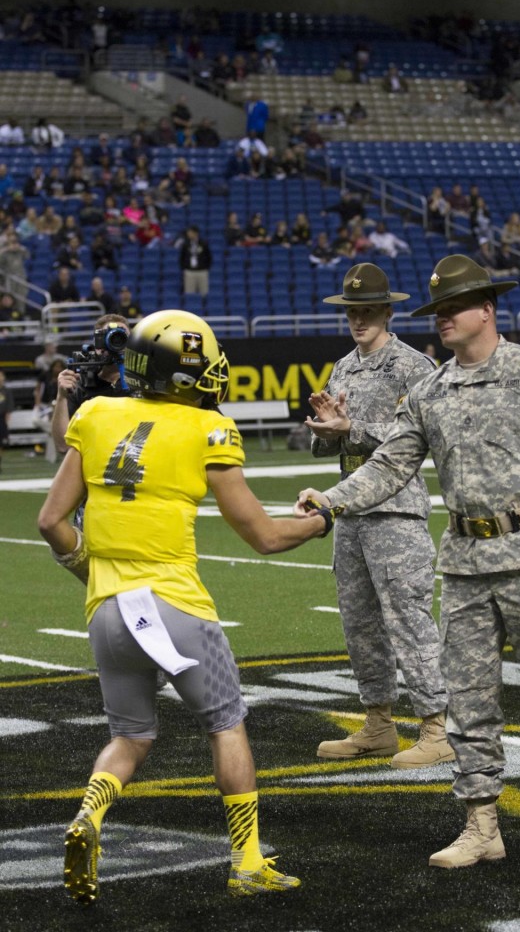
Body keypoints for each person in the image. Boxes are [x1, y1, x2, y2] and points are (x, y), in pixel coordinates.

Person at [296, 254, 520, 869]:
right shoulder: (431, 390)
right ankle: (481, 824)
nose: (444, 320)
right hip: (463, 563)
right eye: (438, 311)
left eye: (453, 308)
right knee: (470, 701)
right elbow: (391, 464)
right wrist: (330, 503)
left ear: (487, 309)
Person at [37, 309, 330, 904]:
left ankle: (89, 816)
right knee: (226, 725)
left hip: (108, 611)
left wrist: (90, 570)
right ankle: (247, 861)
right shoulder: (209, 429)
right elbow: (265, 537)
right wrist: (326, 519)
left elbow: (51, 521)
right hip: (175, 606)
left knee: (131, 736)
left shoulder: (93, 414)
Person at [306, 263, 453, 767]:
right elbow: (330, 442)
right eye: (351, 311)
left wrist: (353, 427)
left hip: (395, 510)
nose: (358, 319)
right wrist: (327, 430)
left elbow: (425, 437)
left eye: (367, 310)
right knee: (360, 621)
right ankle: (378, 724)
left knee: (409, 619)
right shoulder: (343, 367)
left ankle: (436, 728)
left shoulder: (414, 367)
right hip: (351, 512)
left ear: (388, 311)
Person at [51, 313, 131, 455]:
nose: (116, 342)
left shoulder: (143, 384)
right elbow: (63, 445)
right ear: (97, 344)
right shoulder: (81, 385)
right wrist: (61, 397)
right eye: (108, 336)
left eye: (121, 336)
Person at [179, 225, 212, 299]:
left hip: (202, 272)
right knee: (189, 295)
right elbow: (182, 257)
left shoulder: (203, 244)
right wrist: (185, 268)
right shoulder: (186, 244)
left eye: (190, 232)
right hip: (190, 272)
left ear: (195, 233)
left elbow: (209, 257)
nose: (188, 234)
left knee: (204, 294)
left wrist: (205, 267)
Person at [0, 369, 14, 471]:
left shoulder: (6, 391)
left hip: (1, 419)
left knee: (1, 443)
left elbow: (9, 407)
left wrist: (7, 421)